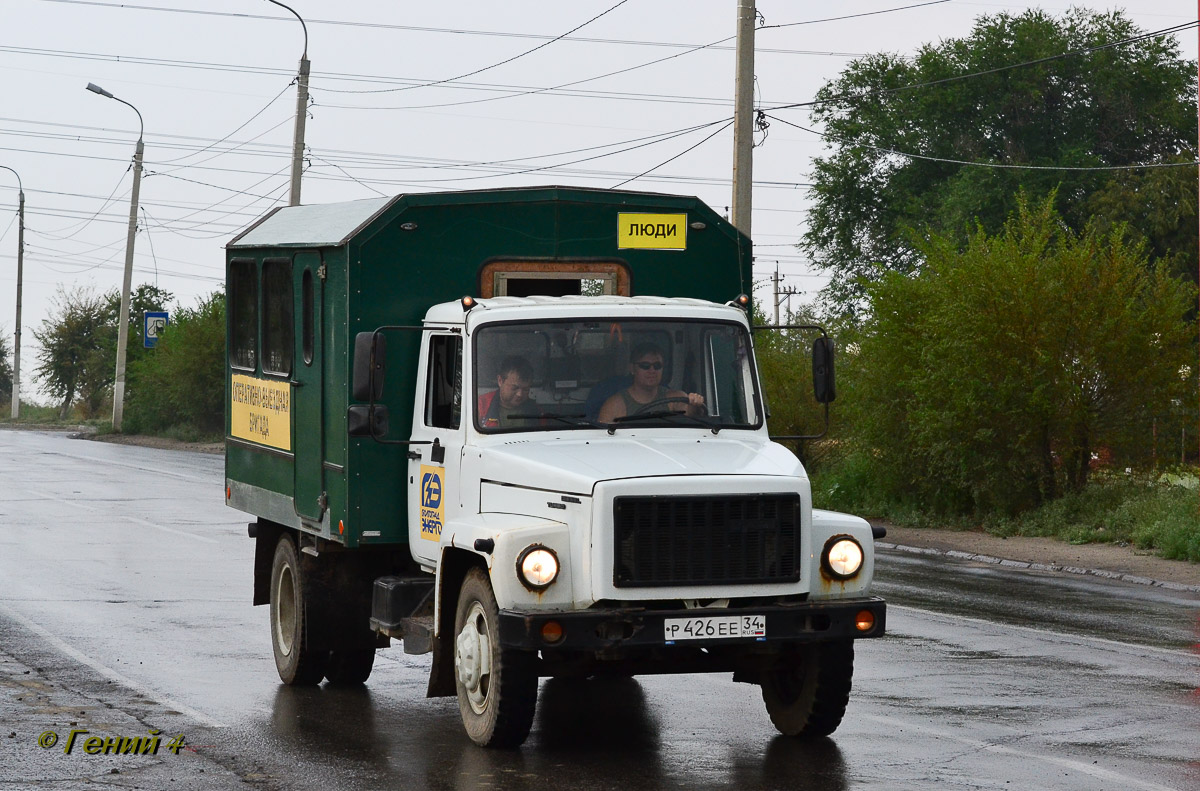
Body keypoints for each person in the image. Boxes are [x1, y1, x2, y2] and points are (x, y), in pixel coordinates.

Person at [596, 342, 704, 423]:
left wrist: (695, 405)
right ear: (632, 369)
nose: (652, 371)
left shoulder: (677, 398)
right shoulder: (614, 405)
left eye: (657, 366)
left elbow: (692, 421)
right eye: (645, 366)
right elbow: (603, 440)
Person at [477, 355, 535, 428]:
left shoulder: (537, 412)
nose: (520, 394)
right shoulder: (480, 407)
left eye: (525, 389)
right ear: (500, 381)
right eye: (514, 388)